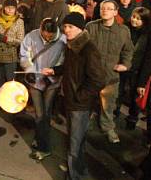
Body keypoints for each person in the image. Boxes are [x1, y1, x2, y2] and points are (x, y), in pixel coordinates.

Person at [52, 12, 105, 180]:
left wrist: (79, 97)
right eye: (65, 27)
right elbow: (70, 69)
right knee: (77, 141)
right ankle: (79, 171)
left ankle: (74, 176)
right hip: (71, 100)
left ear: (80, 28)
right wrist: (54, 71)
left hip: (79, 105)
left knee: (74, 144)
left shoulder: (87, 48)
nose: (66, 30)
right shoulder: (72, 45)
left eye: (70, 27)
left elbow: (98, 79)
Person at [85, 0, 134, 144]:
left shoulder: (123, 31)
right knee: (87, 102)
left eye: (108, 8)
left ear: (115, 12)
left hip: (111, 76)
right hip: (92, 75)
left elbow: (128, 50)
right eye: (102, 8)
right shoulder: (91, 27)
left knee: (108, 105)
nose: (105, 10)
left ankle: (107, 128)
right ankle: (83, 124)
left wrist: (125, 65)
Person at [20, 18, 66, 160]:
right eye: (44, 34)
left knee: (45, 114)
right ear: (40, 29)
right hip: (35, 81)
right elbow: (24, 54)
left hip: (51, 83)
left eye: (50, 36)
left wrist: (52, 72)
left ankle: (44, 147)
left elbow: (63, 60)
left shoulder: (63, 40)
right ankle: (40, 138)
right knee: (40, 115)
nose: (47, 37)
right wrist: (30, 69)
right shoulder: (32, 36)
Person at [122, 7, 151, 130]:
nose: (134, 20)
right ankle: (115, 112)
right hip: (123, 65)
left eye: (138, 19)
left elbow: (147, 56)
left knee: (135, 95)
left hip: (137, 68)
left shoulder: (148, 35)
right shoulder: (124, 28)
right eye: (134, 17)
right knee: (119, 90)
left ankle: (132, 118)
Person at [0, 0, 25, 91]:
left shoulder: (19, 22)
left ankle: (9, 102)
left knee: (10, 81)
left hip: (10, 56)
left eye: (12, 8)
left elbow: (20, 40)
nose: (10, 10)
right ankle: (0, 100)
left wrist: (6, 39)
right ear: (4, 8)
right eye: (8, 7)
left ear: (15, 9)